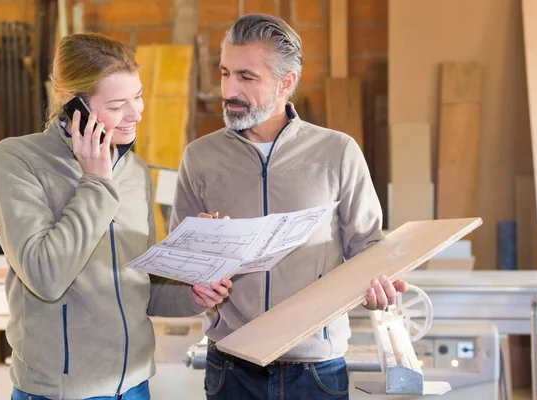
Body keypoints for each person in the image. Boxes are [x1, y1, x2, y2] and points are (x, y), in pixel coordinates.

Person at [170, 14, 408, 400]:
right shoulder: (200, 157)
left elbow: (368, 247)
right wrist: (198, 264)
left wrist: (382, 284)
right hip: (231, 367)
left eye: (247, 78)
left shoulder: (337, 152)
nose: (229, 89)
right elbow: (179, 265)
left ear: (287, 83)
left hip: (315, 370)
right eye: (225, 72)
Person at [0, 32, 232, 400]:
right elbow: (45, 275)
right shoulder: (16, 162)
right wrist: (97, 182)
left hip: (134, 388)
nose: (137, 114)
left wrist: (196, 292)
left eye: (138, 96)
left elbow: (138, 289)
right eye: (117, 105)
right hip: (59, 393)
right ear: (74, 105)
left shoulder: (134, 172)